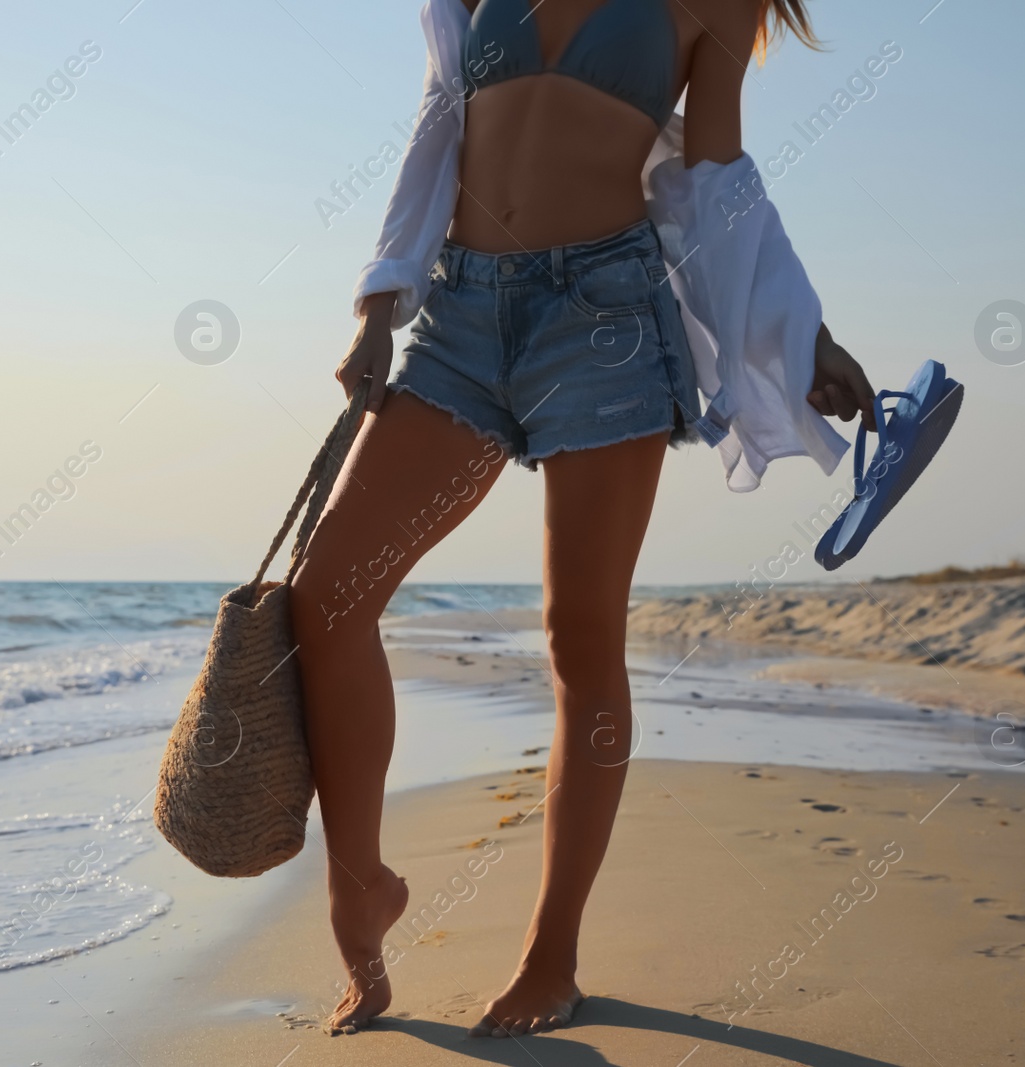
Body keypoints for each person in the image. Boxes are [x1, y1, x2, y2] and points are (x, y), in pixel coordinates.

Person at [288, 0, 877, 1039]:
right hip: (463, 314)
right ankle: (358, 888)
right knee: (326, 593)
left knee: (579, 637)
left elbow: (712, 190)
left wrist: (806, 337)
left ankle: (552, 953)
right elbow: (442, 115)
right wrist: (382, 299)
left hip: (603, 317)